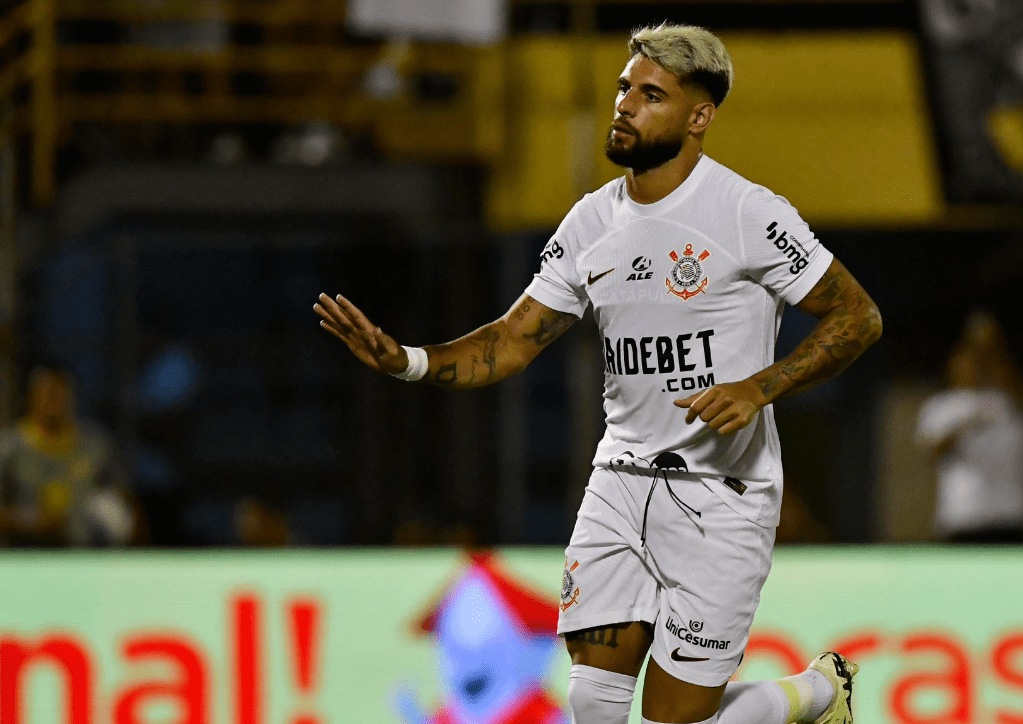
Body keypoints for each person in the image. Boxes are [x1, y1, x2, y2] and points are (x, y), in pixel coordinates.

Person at [316, 23, 882, 724]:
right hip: (619, 483)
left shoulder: (746, 212)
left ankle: (819, 692)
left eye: (651, 95)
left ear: (698, 117)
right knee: (591, 700)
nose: (625, 105)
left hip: (721, 496)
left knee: (673, 720)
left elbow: (857, 317)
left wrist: (760, 386)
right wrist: (408, 361)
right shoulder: (592, 222)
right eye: (624, 88)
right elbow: (515, 338)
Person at [917, 314, 1023, 543]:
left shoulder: (1006, 401)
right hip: (964, 518)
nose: (977, 363)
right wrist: (965, 426)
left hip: (1010, 518)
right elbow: (932, 451)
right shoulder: (941, 406)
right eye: (970, 355)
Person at [0, 365, 134, 546]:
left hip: (85, 553)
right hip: (27, 553)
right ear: (31, 397)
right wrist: (29, 522)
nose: (54, 401)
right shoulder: (9, 447)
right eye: (47, 393)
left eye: (61, 393)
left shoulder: (95, 444)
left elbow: (121, 498)